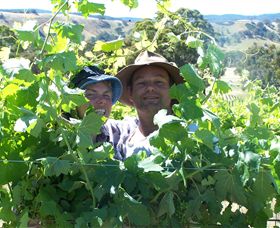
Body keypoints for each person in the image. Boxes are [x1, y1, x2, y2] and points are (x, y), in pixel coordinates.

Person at [104, 51, 185, 160]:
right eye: (141, 83)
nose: (150, 88)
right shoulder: (120, 133)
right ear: (130, 93)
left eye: (159, 82)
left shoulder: (191, 134)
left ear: (173, 91)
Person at [70, 65, 123, 143]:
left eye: (106, 95)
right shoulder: (61, 139)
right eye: (90, 94)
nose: (102, 100)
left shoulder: (114, 139)